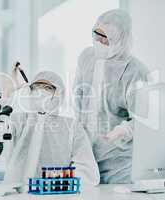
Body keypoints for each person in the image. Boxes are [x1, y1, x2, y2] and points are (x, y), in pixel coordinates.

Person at [73, 9, 149, 184]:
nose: (98, 40)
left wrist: (123, 130)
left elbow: (144, 120)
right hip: (86, 157)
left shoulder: (136, 72)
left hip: (118, 162)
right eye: (96, 33)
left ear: (121, 40)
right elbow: (78, 97)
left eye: (105, 37)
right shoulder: (86, 57)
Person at [4, 71, 100, 190]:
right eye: (36, 87)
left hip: (57, 194)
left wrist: (54, 183)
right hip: (16, 194)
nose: (40, 91)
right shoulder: (16, 121)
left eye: (48, 88)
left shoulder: (71, 127)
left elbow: (87, 171)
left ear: (60, 94)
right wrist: (6, 94)